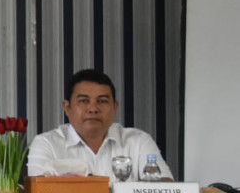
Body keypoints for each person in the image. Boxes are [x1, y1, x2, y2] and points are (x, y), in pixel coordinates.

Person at [28, 68, 172, 181]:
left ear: (115, 107)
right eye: (84, 101)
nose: (93, 109)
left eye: (102, 101)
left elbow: (165, 188)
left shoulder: (138, 141)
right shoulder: (47, 144)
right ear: (67, 107)